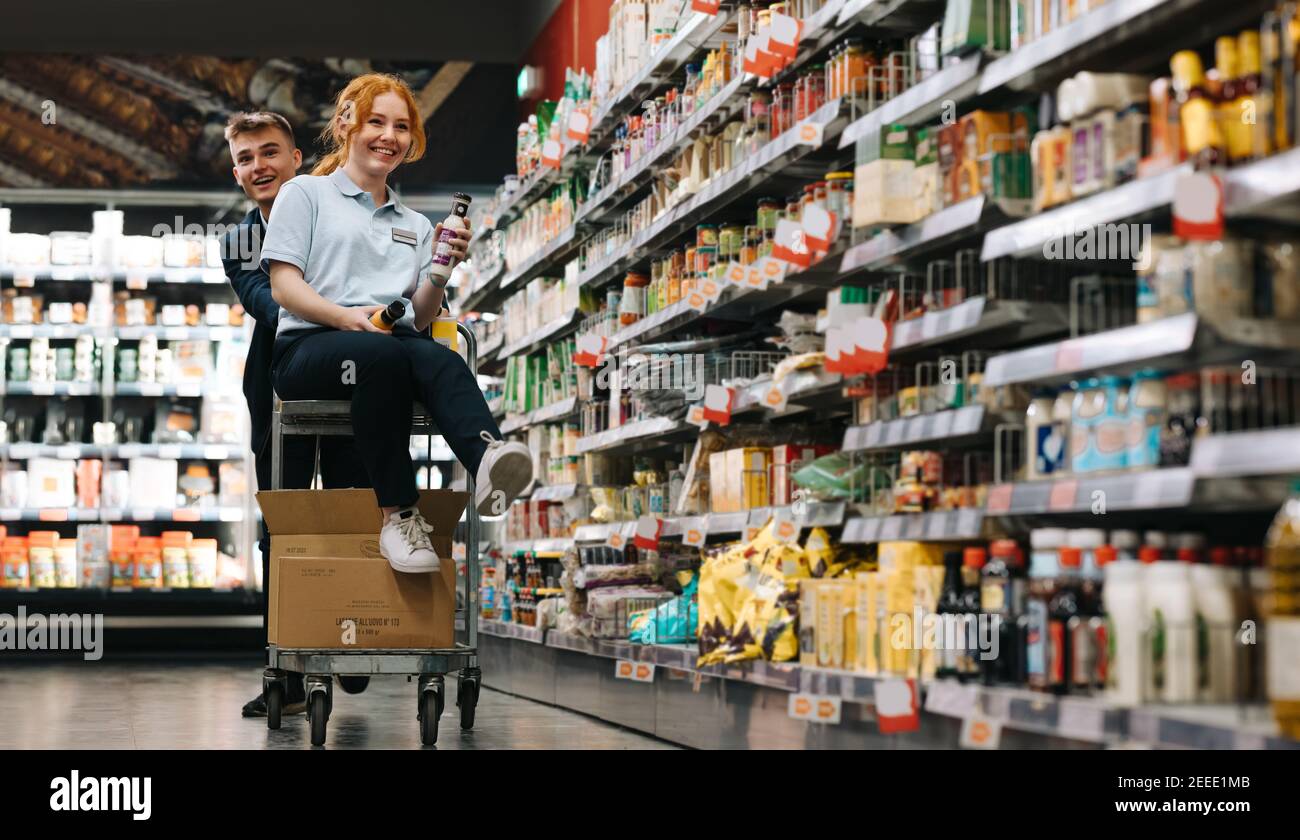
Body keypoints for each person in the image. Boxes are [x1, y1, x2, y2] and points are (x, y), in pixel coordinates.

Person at [261, 72, 533, 574]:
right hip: (309, 350)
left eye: (401, 127)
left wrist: (440, 272)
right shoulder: (305, 194)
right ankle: (397, 515)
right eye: (377, 122)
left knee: (439, 358)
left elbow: (423, 314)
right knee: (384, 356)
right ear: (346, 124)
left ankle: (487, 459)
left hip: (384, 346)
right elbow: (284, 287)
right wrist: (346, 318)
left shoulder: (416, 225)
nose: (390, 136)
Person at [221, 111, 372, 718]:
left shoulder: (340, 209)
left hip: (350, 385)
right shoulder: (239, 240)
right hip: (277, 391)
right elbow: (266, 300)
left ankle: (353, 647)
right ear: (237, 173)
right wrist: (331, 304)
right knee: (281, 532)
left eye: (270, 152)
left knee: (352, 516)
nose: (259, 166)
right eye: (246, 158)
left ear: (296, 158)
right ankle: (281, 671)